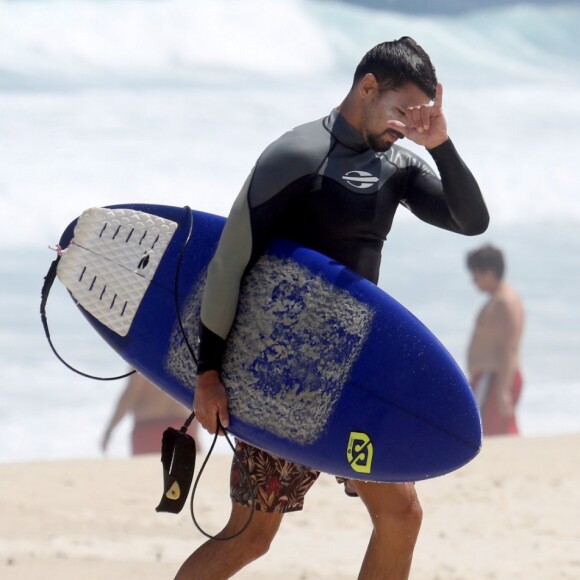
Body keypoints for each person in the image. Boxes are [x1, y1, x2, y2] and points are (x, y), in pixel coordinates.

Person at [179, 37, 489, 579]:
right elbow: (230, 264)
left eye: (418, 116)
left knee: (401, 514)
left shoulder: (398, 164)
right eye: (400, 111)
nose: (405, 126)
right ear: (367, 87)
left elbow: (471, 220)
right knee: (251, 537)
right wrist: (209, 374)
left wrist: (439, 144)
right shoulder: (296, 156)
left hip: (354, 377)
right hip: (281, 377)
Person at [466, 244, 525, 436]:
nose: (473, 280)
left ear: (488, 272)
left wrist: (502, 390)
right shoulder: (497, 299)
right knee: (491, 434)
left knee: (490, 435)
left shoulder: (505, 302)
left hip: (496, 379)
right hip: (489, 379)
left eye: (475, 274)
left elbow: (510, 348)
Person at [101, 372, 197, 455]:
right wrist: (195, 436)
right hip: (183, 429)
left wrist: (110, 430)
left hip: (149, 430)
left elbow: (130, 394)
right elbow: (196, 397)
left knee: (147, 475)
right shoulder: (186, 353)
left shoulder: (145, 353)